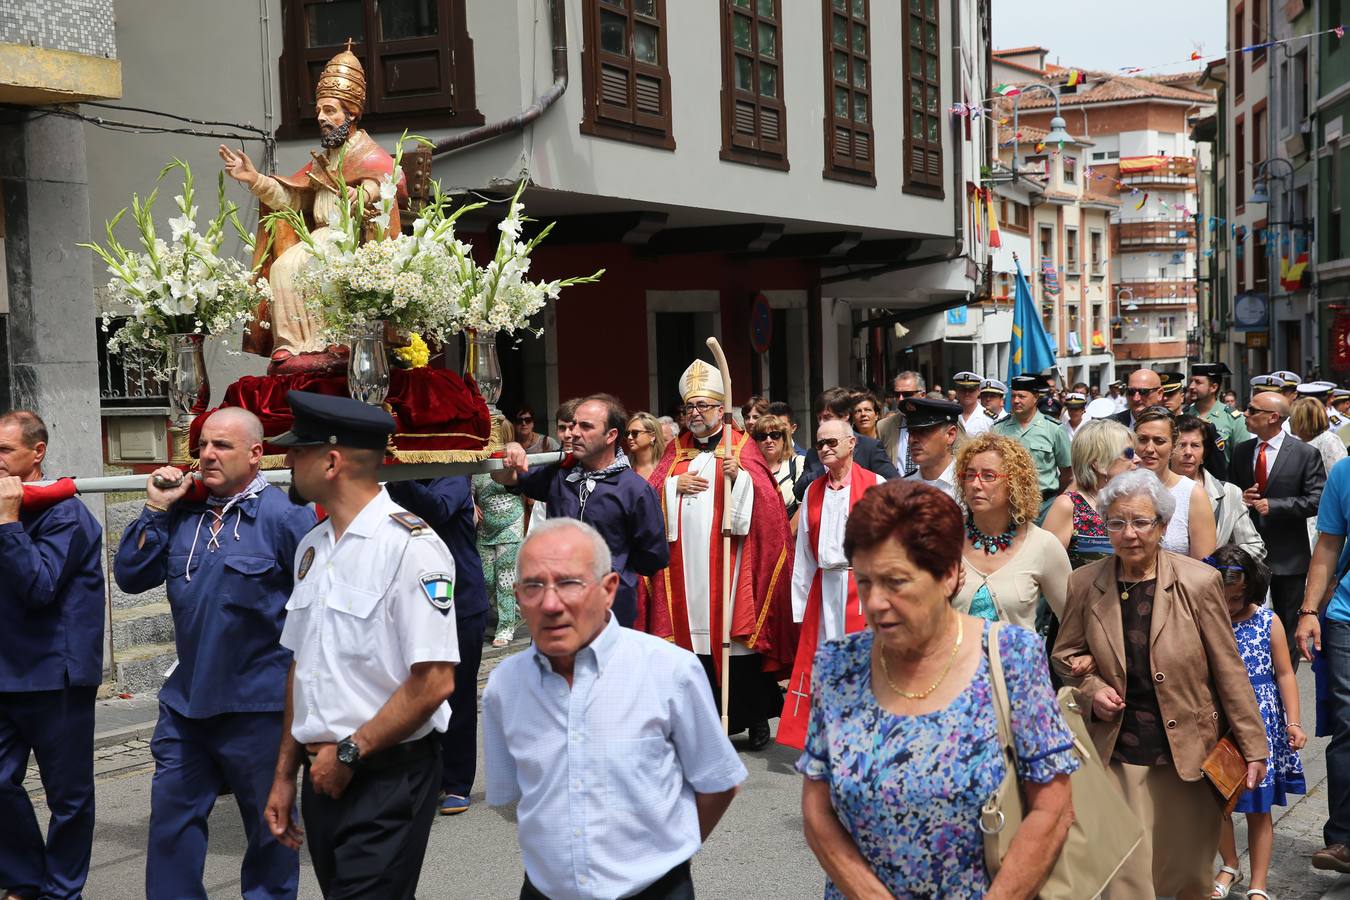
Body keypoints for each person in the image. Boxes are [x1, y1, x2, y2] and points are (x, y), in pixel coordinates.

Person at [798, 479, 1078, 896]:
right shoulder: (839, 666)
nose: (874, 602)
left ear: (949, 575)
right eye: (866, 581)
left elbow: (1053, 809)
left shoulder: (1012, 658)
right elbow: (817, 809)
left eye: (896, 582)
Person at [484, 518, 747, 899]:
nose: (550, 603)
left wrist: (664, 859)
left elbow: (719, 783)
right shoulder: (504, 686)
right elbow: (518, 796)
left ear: (608, 590)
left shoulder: (669, 671)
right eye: (533, 586)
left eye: (569, 583)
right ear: (517, 595)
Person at [263, 391, 459, 898]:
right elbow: (302, 667)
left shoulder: (412, 548)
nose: (286, 461)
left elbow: (435, 682)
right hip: (322, 772)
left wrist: (350, 753)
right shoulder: (312, 546)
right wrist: (285, 773)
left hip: (386, 773)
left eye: (297, 451)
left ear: (331, 461)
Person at [114, 407, 315, 900]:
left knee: (270, 834)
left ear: (256, 454)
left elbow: (317, 614)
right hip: (186, 706)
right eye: (202, 444)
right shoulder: (184, 511)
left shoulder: (286, 518)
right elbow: (130, 575)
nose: (206, 454)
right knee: (171, 828)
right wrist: (157, 509)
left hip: (259, 708)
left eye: (221, 445)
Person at [1052, 469, 1268, 900]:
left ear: (1163, 527)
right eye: (1116, 522)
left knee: (1188, 874)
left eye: (1141, 522)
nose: (1128, 533)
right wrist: (1092, 689)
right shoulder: (1085, 582)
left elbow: (1229, 669)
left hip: (1186, 751)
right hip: (1119, 750)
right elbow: (1063, 655)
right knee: (1126, 878)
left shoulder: (1198, 582)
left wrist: (1254, 746)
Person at [220, 45, 405, 371]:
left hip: (352, 239)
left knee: (326, 264)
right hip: (318, 237)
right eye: (319, 110)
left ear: (351, 113)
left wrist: (365, 192)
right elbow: (293, 199)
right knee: (282, 267)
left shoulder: (368, 154)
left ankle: (339, 340)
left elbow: (392, 178)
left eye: (330, 110)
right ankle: (293, 346)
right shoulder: (324, 161)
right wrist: (254, 179)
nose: (321, 117)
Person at [641, 360, 796, 750]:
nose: (694, 414)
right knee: (692, 646)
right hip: (683, 568)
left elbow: (769, 506)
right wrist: (673, 486)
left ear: (719, 410)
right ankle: (703, 722)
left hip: (730, 565)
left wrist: (739, 477)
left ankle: (754, 716)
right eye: (689, 408)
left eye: (703, 407)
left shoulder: (743, 448)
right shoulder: (674, 452)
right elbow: (651, 494)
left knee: (735, 640)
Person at [0, 410, 105, 900]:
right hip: (4, 672)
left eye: (4, 451)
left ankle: (63, 891)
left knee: (68, 798)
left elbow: (39, 586)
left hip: (54, 676)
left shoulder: (67, 514)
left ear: (36, 453)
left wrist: (7, 523)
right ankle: (25, 879)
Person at [494, 394, 668, 628]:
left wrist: (613, 567)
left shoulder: (636, 490)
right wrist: (510, 450)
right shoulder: (559, 474)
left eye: (585, 426)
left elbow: (652, 558)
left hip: (611, 612)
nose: (573, 432)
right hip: (555, 605)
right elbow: (507, 477)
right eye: (573, 424)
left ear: (611, 435)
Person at [384, 469, 492, 816]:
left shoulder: (452, 475)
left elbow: (438, 509)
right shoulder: (388, 484)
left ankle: (456, 781)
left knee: (457, 693)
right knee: (415, 694)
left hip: (458, 601)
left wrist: (399, 478)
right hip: (411, 601)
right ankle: (423, 778)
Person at [779, 419, 886, 750]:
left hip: (861, 585)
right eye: (819, 443)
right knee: (825, 663)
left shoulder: (875, 484)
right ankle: (829, 737)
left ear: (851, 443)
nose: (823, 448)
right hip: (824, 586)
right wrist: (800, 605)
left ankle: (867, 735)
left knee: (862, 662)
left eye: (831, 442)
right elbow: (804, 555)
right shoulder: (812, 490)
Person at [1208, 545, 1306, 900]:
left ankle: (1259, 883)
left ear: (1251, 589)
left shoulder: (1269, 621)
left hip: (1262, 724)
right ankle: (1229, 863)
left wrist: (1293, 722)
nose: (1231, 605)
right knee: (1217, 801)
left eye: (1237, 597)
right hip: (1219, 724)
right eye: (1224, 597)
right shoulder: (1207, 620)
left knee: (1258, 808)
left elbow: (1284, 674)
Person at [1232, 392, 1326, 664]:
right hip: (1248, 552)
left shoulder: (1304, 454)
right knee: (1247, 613)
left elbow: (1316, 499)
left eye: (1252, 410)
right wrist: (1242, 497)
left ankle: (1285, 678)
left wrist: (1276, 505)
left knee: (1287, 622)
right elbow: (1229, 490)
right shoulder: (1241, 451)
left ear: (1273, 417)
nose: (1246, 414)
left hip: (1288, 554)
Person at [950, 433, 1070, 632]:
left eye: (989, 476)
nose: (975, 484)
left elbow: (1073, 618)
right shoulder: (944, 539)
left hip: (1019, 663)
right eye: (969, 475)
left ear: (1014, 484)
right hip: (955, 662)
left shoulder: (1043, 545)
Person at [1297, 456, 1350, 874]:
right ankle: (1343, 840)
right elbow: (1328, 544)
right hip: (1346, 618)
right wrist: (1309, 610)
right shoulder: (1345, 472)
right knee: (1349, 723)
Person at [1044, 419, 1138, 569]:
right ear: (1100, 464)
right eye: (1129, 453)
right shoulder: (1068, 505)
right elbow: (1045, 569)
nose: (1137, 460)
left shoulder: (1133, 500)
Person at [1171, 415, 1266, 559]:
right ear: (1169, 450)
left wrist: (1224, 566)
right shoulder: (1152, 491)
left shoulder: (1229, 493)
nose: (1188, 452)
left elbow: (1254, 546)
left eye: (1195, 445)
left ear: (1204, 454)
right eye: (1181, 445)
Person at [1132, 407, 1218, 560]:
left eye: (1159, 441)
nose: (1150, 448)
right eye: (1143, 439)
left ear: (1173, 446)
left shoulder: (1193, 494)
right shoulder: (1120, 489)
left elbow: (1203, 571)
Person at [991, 374, 1072, 522]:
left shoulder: (1054, 428)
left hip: (1044, 507)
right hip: (1008, 506)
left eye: (1021, 396)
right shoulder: (998, 429)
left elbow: (1067, 471)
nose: (1016, 401)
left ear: (1035, 397)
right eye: (1013, 396)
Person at [797, 388, 899, 500]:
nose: (822, 423)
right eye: (819, 418)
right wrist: (827, 468)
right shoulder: (815, 452)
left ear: (845, 416)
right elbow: (799, 492)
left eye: (827, 417)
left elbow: (895, 486)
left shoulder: (869, 447)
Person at [471, 465, 525, 648]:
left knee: (505, 578)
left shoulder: (507, 463)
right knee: (485, 578)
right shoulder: (474, 466)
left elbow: (525, 484)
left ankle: (506, 626)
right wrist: (472, 503)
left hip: (511, 526)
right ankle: (514, 613)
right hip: (486, 529)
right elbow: (465, 492)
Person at [1185, 362, 1250, 465]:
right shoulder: (1184, 415)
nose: (1191, 386)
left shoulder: (1234, 419)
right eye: (1191, 381)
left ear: (1213, 387)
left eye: (1198, 382)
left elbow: (1243, 460)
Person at [902, 396, 961, 499]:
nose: (913, 439)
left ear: (950, 435)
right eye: (910, 431)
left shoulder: (968, 485)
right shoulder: (903, 488)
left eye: (924, 431)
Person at [752, 413, 803, 523]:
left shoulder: (798, 463)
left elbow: (803, 509)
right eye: (762, 437)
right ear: (756, 442)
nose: (769, 440)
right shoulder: (749, 469)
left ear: (784, 438)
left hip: (789, 537)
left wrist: (784, 538)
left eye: (775, 435)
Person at [877, 372, 926, 476]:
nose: (901, 399)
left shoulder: (939, 424)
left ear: (922, 395)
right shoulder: (883, 426)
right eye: (897, 395)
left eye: (907, 394)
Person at [624, 411, 667, 482]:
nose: (629, 437)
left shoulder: (667, 467)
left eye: (635, 433)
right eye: (627, 433)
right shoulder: (624, 467)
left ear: (652, 436)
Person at [951, 370, 993, 438]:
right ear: (957, 391)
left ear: (979, 391)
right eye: (963, 389)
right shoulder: (950, 415)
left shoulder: (989, 418)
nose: (967, 394)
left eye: (971, 390)